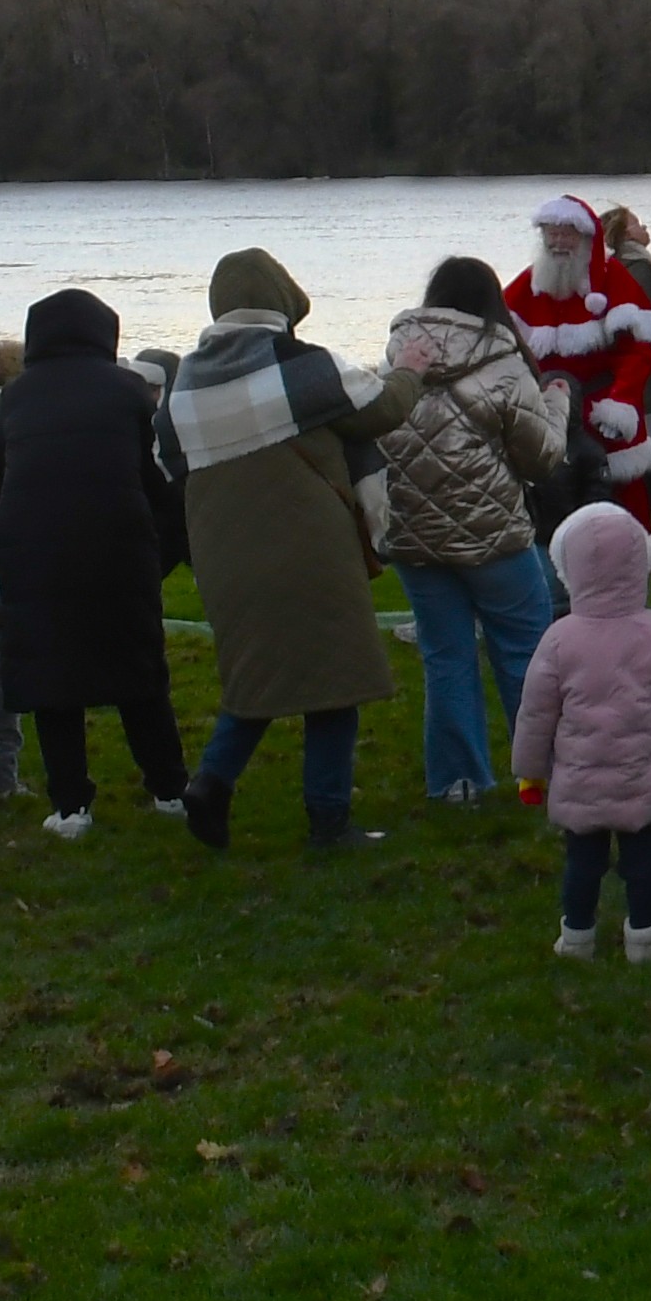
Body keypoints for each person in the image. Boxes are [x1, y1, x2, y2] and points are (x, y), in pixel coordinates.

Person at [166, 249, 425, 852]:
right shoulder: (302, 368)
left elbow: (168, 461)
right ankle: (329, 824)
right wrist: (410, 367)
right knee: (333, 687)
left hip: (224, 556)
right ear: (282, 300)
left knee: (259, 677)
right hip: (311, 550)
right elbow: (382, 409)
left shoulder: (181, 386)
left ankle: (211, 783)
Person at [0, 287, 185, 838]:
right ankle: (169, 789)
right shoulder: (128, 391)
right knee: (140, 675)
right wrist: (168, 549)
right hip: (118, 554)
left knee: (53, 682)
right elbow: (156, 481)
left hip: (35, 555)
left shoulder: (16, 396)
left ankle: (71, 806)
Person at [380, 262, 568, 799]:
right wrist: (556, 401)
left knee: (446, 656)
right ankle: (543, 772)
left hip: (415, 537)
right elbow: (542, 458)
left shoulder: (398, 356)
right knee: (523, 652)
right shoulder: (504, 361)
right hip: (495, 538)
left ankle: (458, 782)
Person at [512, 499, 651, 963]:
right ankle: (643, 938)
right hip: (638, 779)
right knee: (643, 863)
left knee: (582, 864)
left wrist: (529, 773)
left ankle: (577, 937)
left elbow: (536, 713)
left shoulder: (560, 638)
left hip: (580, 781)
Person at [510, 196, 651, 519]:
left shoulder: (613, 278)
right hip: (550, 410)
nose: (558, 243)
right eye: (551, 234)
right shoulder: (530, 282)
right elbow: (502, 335)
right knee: (550, 505)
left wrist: (621, 401)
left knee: (620, 506)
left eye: (567, 234)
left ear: (586, 237)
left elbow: (638, 351)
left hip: (603, 408)